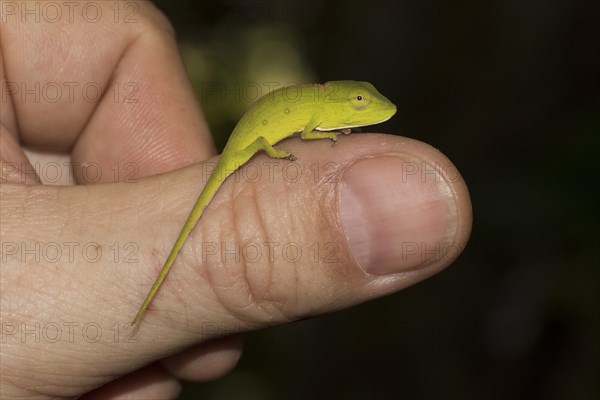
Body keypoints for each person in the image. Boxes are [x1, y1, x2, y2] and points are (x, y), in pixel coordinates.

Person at [0, 2, 472, 399]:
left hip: (260, 139)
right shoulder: (318, 109)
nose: (365, 107)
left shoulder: (323, 104)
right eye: (359, 103)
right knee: (199, 220)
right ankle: (147, 299)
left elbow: (313, 127)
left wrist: (330, 128)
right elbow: (308, 131)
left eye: (360, 103)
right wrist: (269, 149)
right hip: (249, 148)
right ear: (340, 98)